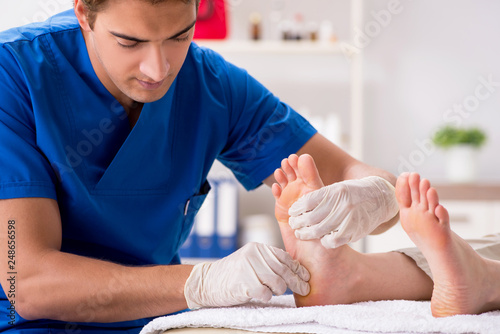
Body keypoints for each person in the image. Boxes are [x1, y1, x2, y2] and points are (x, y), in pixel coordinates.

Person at [0, 0, 401, 333]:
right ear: (84, 14)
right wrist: (202, 282)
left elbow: (353, 172)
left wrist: (377, 198)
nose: (158, 71)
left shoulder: (211, 85)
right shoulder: (14, 75)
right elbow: (27, 282)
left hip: (157, 323)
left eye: (180, 36)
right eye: (130, 42)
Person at [273, 153, 500, 317]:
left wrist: (382, 192)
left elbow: (346, 167)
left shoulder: (248, 101)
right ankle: (348, 276)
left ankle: (351, 277)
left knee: (480, 251)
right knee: (483, 250)